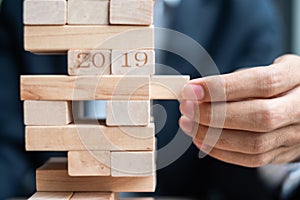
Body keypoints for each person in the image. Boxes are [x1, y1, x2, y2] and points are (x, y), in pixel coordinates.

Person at [0, 0, 298, 199]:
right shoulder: (24, 9)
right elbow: (6, 147)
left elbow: (243, 169)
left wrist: (282, 141)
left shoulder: (246, 14)